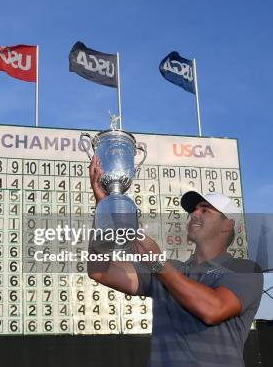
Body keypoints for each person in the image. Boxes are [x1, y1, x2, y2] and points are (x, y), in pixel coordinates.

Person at [86, 155, 263, 367]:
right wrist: (104, 209)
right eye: (194, 210)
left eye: (205, 210)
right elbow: (99, 270)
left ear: (227, 225)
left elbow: (213, 309)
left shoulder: (245, 269)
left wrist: (158, 263)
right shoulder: (171, 269)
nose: (194, 214)